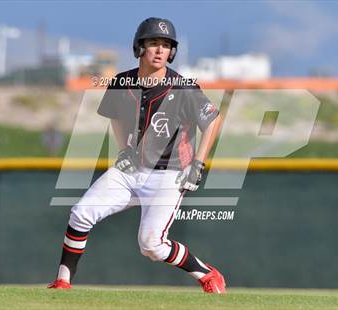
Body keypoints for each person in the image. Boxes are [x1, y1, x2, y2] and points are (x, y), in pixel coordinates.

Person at [47, 17, 225, 293]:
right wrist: (124, 150)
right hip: (131, 170)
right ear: (139, 47)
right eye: (153, 43)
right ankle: (62, 282)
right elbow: (115, 117)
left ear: (172, 52)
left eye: (166, 45)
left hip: (170, 173)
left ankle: (207, 274)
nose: (159, 50)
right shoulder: (122, 82)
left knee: (152, 245)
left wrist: (198, 163)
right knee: (81, 214)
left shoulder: (183, 86)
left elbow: (212, 120)